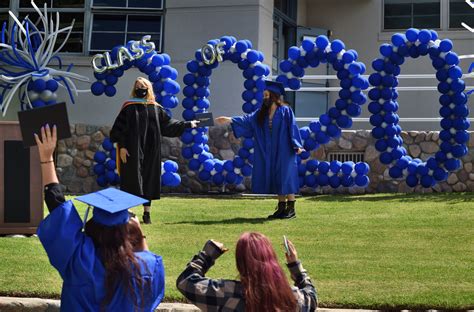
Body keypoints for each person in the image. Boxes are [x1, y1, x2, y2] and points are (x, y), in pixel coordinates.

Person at [35, 124, 165, 311]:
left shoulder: (79, 259)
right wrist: (139, 234)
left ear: (93, 225)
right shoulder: (146, 268)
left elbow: (58, 209)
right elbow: (147, 261)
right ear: (129, 231)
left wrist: (46, 159)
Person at [110, 77, 199, 224]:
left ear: (148, 88)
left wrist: (188, 124)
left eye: (143, 86)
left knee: (149, 179)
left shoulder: (156, 108)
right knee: (131, 178)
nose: (140, 88)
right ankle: (127, 213)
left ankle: (147, 214)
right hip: (132, 149)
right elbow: (119, 129)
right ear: (134, 89)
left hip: (152, 149)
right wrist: (123, 147)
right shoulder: (129, 107)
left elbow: (169, 125)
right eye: (138, 86)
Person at [215, 81, 304, 219]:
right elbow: (247, 120)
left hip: (285, 149)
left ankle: (291, 209)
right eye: (264, 95)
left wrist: (297, 145)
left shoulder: (285, 111)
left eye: (266, 95)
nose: (264, 98)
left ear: (274, 96)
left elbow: (292, 127)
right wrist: (229, 119)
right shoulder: (261, 113)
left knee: (285, 176)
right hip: (270, 150)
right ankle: (281, 208)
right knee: (276, 177)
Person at [176, 232, 317, 312]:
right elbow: (311, 296)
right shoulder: (292, 298)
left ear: (240, 262)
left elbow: (185, 281)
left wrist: (207, 255)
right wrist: (295, 266)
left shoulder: (226, 293)